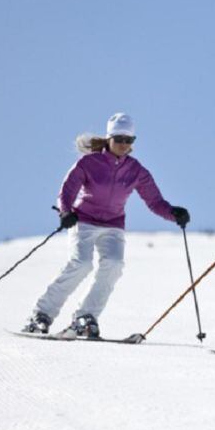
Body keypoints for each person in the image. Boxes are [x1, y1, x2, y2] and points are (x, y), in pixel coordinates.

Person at [22, 113, 190, 338]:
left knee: (114, 264)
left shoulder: (135, 170)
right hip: (84, 221)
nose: (124, 145)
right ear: (109, 138)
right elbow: (67, 190)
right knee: (81, 264)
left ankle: (86, 317)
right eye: (119, 139)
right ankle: (41, 314)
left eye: (129, 140)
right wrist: (65, 211)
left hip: (113, 225)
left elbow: (154, 201)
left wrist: (173, 213)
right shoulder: (89, 162)